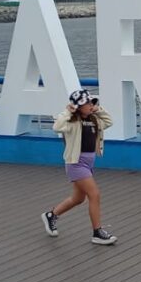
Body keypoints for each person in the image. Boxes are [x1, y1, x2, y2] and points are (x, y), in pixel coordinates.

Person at [42, 90, 117, 245]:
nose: (91, 105)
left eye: (92, 102)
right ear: (78, 106)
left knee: (78, 198)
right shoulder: (72, 122)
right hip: (76, 163)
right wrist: (67, 111)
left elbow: (109, 121)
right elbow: (57, 126)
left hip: (88, 163)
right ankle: (97, 232)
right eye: (87, 103)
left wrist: (99, 110)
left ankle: (51, 215)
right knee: (94, 194)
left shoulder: (94, 120)